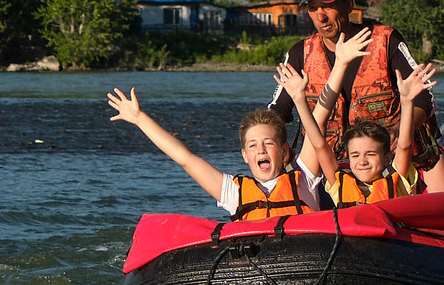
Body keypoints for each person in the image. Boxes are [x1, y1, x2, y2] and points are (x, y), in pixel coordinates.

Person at [270, 0, 444, 193]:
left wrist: (397, 132)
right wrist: (265, 145)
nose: (321, 17)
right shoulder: (299, 54)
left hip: (400, 163)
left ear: (349, 4)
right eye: (313, 8)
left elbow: (425, 98)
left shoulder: (387, 41)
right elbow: (276, 112)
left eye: (328, 6)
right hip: (334, 172)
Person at [107, 87, 329, 219]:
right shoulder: (234, 192)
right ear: (244, 155)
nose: (260, 149)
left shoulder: (304, 179)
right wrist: (139, 119)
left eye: (268, 143)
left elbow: (317, 123)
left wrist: (341, 63)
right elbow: (185, 158)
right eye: (252, 145)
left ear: (284, 152)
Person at [285, 58, 438, 206]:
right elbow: (319, 144)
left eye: (370, 154)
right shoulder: (339, 184)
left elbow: (404, 145)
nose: (362, 161)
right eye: (355, 155)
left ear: (387, 158)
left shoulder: (397, 181)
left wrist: (407, 101)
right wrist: (299, 99)